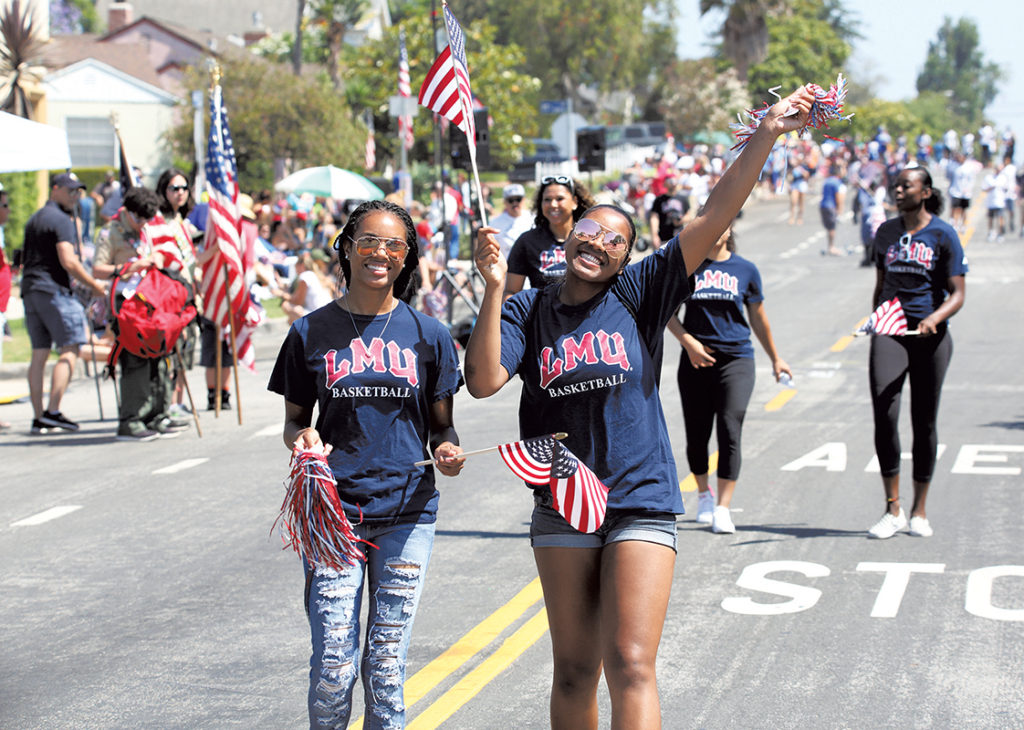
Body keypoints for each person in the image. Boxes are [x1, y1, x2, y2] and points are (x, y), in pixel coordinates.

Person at [466, 87, 813, 728]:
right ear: (570, 234)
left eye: (616, 240)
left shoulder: (641, 291)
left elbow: (712, 217)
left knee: (631, 662)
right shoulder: (526, 308)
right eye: (590, 230)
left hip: (641, 496)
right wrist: (491, 291)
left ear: (628, 255)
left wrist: (767, 133)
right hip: (563, 502)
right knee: (574, 670)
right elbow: (484, 382)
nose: (599, 243)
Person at [268, 199, 465, 728]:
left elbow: (442, 425)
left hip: (406, 512)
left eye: (394, 244)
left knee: (384, 663)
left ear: (407, 258)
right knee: (334, 665)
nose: (381, 252)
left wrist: (446, 450)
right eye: (369, 242)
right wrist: (302, 437)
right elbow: (293, 421)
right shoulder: (309, 332)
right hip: (332, 516)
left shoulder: (431, 335)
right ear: (348, 250)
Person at [666, 221, 790, 533]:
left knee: (730, 428)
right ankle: (704, 494)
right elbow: (667, 313)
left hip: (736, 360)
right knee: (697, 435)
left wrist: (776, 359)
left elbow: (759, 320)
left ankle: (723, 506)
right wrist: (689, 343)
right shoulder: (689, 268)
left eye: (722, 222)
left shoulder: (745, 270)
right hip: (695, 360)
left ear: (729, 229)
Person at [866, 166, 967, 539]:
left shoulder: (943, 233)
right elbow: (880, 286)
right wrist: (874, 317)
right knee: (884, 412)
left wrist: (934, 318)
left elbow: (958, 293)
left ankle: (920, 509)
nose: (898, 190)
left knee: (923, 420)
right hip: (890, 331)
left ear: (925, 192)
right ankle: (892, 509)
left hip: (931, 337)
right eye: (896, 185)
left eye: (906, 186)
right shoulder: (885, 233)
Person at [92, 186, 187, 440]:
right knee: (135, 360)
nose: (143, 223)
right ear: (128, 212)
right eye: (139, 218)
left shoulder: (146, 230)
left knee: (159, 356)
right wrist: (129, 267)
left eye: (147, 218)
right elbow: (97, 269)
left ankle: (157, 414)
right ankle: (131, 419)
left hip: (150, 300)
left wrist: (156, 257)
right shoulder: (111, 232)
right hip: (125, 302)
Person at [21, 172, 107, 434]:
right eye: (70, 191)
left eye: (78, 192)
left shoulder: (35, 218)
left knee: (40, 353)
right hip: (54, 290)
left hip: (31, 289)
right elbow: (68, 260)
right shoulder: (62, 220)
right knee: (71, 347)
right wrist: (94, 285)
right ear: (54, 190)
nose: (75, 196)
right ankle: (53, 410)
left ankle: (40, 417)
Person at [503, 175, 594, 300]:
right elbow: (511, 291)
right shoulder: (527, 241)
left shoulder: (592, 239)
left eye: (560, 198)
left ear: (575, 202)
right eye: (547, 199)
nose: (553, 204)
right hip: (542, 318)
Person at [278, 251, 334, 323]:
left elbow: (299, 302)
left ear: (301, 265)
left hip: (319, 314)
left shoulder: (305, 276)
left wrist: (283, 294)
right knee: (292, 320)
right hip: (327, 312)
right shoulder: (316, 275)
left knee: (286, 305)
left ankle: (310, 330)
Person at [490, 183, 534, 259]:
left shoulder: (533, 219)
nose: (515, 203)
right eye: (511, 200)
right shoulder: (495, 223)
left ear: (524, 200)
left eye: (518, 199)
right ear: (504, 202)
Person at [648, 176, 688, 250]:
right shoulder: (659, 200)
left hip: (679, 237)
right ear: (664, 184)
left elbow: (689, 215)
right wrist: (654, 235)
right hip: (663, 237)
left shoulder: (683, 198)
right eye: (669, 181)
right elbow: (654, 218)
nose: (672, 183)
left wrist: (680, 220)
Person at [820, 162, 846, 255]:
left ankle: (830, 246)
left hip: (823, 205)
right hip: (831, 206)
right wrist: (840, 211)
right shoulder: (837, 182)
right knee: (832, 228)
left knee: (829, 227)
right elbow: (839, 197)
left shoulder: (827, 181)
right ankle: (831, 247)